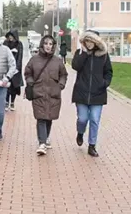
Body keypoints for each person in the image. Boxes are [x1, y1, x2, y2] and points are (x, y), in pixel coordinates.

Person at [71, 30, 114, 158]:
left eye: (91, 41)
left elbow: (109, 72)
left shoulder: (104, 55)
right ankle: (80, 132)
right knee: (83, 119)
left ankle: (92, 145)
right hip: (81, 93)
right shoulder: (80, 53)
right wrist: (84, 53)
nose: (89, 43)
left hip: (98, 94)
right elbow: (75, 66)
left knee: (95, 119)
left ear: (96, 41)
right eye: (87, 40)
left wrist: (104, 83)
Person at [24, 35, 68, 157]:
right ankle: (42, 143)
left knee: (49, 117)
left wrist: (61, 85)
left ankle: (46, 137)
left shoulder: (58, 61)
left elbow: (64, 74)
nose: (48, 46)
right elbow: (27, 72)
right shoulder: (34, 60)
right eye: (46, 43)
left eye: (50, 44)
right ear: (42, 45)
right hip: (39, 93)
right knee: (41, 118)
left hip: (53, 94)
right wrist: (30, 81)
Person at [3, 30, 24, 111]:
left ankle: (12, 102)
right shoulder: (5, 43)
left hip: (16, 69)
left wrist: (17, 68)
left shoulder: (19, 44)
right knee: (7, 85)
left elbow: (20, 56)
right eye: (9, 36)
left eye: (12, 36)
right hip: (7, 68)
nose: (10, 37)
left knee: (14, 86)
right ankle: (6, 101)